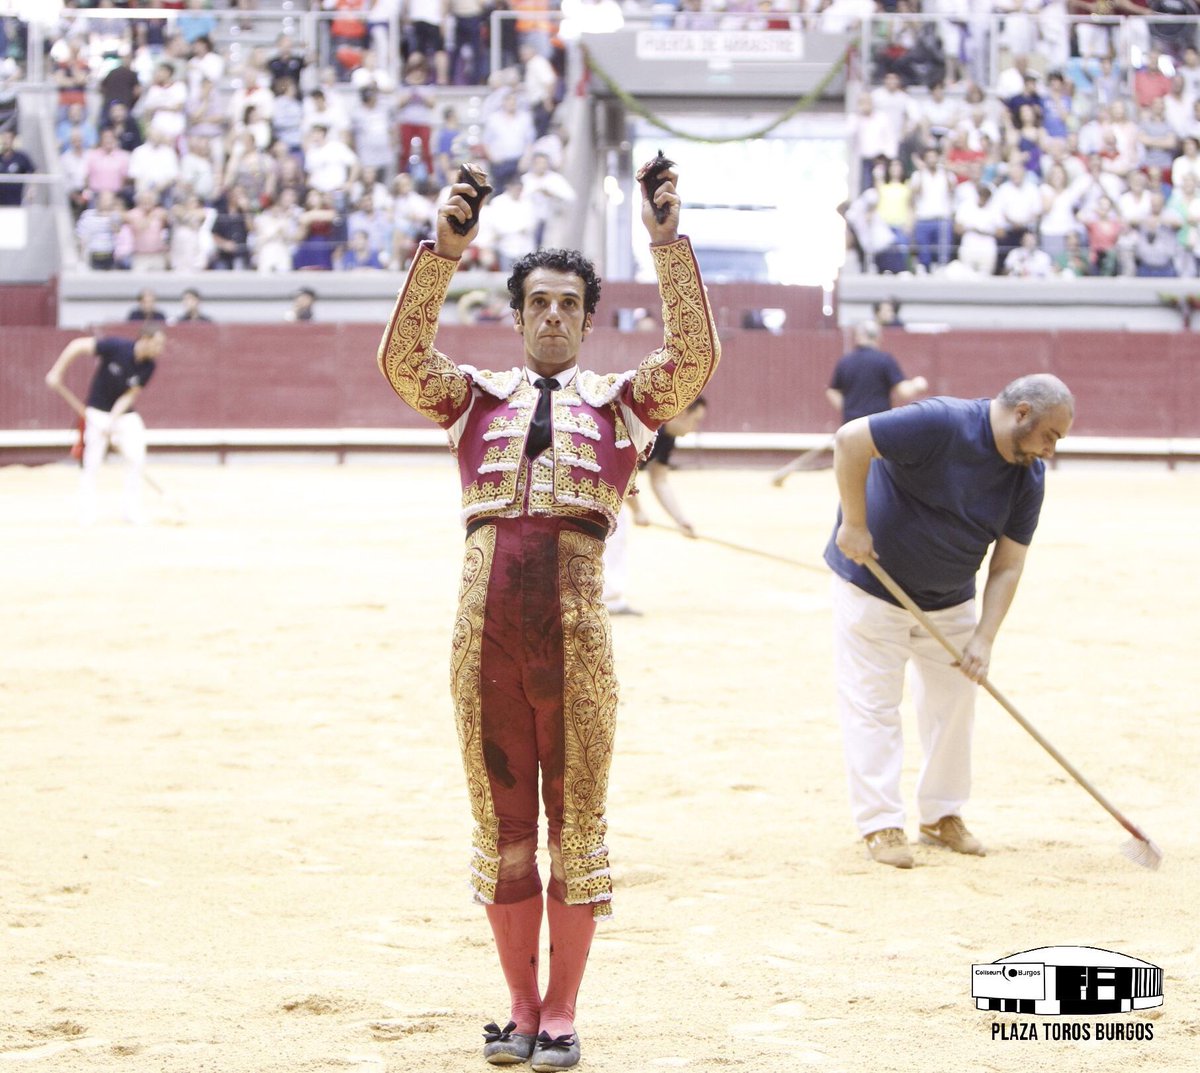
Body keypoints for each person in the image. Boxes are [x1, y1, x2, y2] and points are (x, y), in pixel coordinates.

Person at [374, 156, 719, 1069]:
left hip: (576, 645)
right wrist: (443, 254)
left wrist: (666, 243)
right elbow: (403, 359)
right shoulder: (472, 400)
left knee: (577, 822)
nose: (555, 315)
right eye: (539, 303)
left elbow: (696, 357)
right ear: (520, 314)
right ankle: (519, 1007)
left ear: (589, 318)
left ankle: (563, 1011)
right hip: (480, 638)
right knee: (504, 825)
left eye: (570, 303)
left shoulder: (625, 408)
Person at [825, 373, 1075, 869]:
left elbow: (1008, 563)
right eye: (1051, 435)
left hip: (953, 600)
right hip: (874, 590)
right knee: (873, 706)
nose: (1049, 450)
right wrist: (853, 523)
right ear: (1022, 413)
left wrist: (985, 636)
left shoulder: (1028, 478)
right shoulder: (941, 421)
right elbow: (850, 439)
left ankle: (942, 816)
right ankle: (880, 823)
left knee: (954, 707)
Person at [772, 320, 926, 487]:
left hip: (851, 426)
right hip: (877, 426)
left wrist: (849, 410)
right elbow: (904, 391)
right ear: (878, 338)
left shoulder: (846, 361)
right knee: (878, 474)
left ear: (858, 337)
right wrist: (917, 384)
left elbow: (831, 391)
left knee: (853, 475)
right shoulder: (884, 360)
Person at [44, 325, 167, 526]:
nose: (160, 349)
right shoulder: (116, 346)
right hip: (96, 410)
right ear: (145, 339)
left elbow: (129, 395)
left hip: (123, 415)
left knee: (136, 456)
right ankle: (87, 513)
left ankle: (131, 511)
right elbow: (76, 345)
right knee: (92, 461)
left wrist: (112, 420)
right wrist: (57, 371)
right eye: (157, 344)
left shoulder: (149, 366)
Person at [602, 396, 709, 615]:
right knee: (616, 530)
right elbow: (621, 472)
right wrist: (638, 511)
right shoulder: (648, 428)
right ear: (681, 413)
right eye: (695, 420)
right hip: (598, 478)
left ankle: (605, 596)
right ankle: (609, 599)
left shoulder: (668, 436)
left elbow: (659, 480)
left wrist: (680, 520)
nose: (694, 428)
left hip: (607, 483)